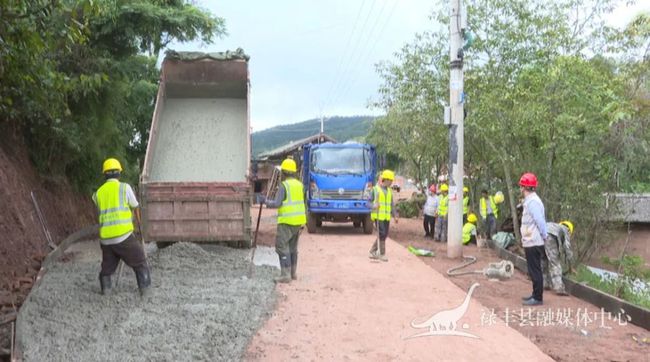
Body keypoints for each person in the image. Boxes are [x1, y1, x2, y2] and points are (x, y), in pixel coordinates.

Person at [93, 158, 150, 297]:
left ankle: (106, 289)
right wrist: (140, 225)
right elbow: (135, 207)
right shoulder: (125, 188)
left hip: (106, 239)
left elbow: (99, 213)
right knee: (140, 261)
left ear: (105, 174)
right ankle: (145, 290)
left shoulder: (98, 193)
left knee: (107, 267)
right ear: (119, 173)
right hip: (123, 236)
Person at [262, 158, 307, 283]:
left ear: (285, 172)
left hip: (287, 221)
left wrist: (265, 202)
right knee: (292, 247)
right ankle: (293, 273)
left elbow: (277, 203)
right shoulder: (300, 185)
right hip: (298, 221)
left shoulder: (284, 186)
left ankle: (285, 275)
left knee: (282, 246)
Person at [519, 172, 547, 306]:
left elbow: (540, 221)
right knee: (533, 270)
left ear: (524, 187)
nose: (520, 189)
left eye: (521, 186)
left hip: (534, 241)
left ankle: (538, 297)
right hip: (530, 241)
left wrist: (544, 236)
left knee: (535, 270)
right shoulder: (530, 201)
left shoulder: (533, 202)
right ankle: (535, 294)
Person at [369, 170, 399, 262]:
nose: (391, 183)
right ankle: (382, 254)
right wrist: (374, 206)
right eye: (390, 181)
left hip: (386, 217)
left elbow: (391, 204)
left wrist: (395, 215)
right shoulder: (375, 190)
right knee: (382, 233)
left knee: (384, 235)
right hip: (378, 216)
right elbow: (367, 203)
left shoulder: (389, 191)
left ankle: (373, 250)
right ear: (386, 180)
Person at [544, 220, 574, 296]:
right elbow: (567, 247)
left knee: (543, 260)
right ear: (569, 229)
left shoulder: (554, 225)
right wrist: (571, 265)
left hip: (539, 236)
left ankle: (544, 283)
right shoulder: (565, 229)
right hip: (550, 237)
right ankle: (559, 288)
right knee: (555, 263)